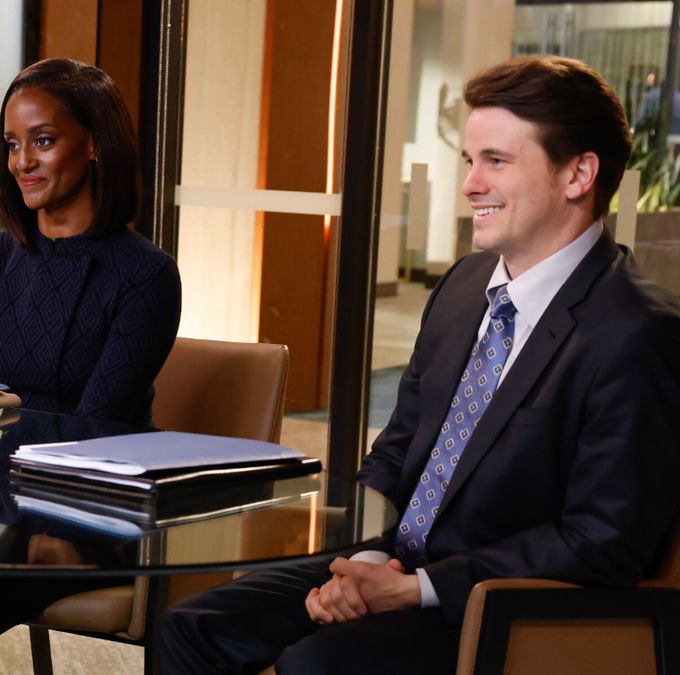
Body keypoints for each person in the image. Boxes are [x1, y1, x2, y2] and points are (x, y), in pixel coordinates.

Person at [157, 55, 680, 674]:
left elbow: (604, 541)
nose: (469, 185)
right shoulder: (464, 286)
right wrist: (361, 562)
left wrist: (415, 589)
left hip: (494, 602)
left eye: (497, 161)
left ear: (578, 175)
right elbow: (400, 448)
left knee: (314, 663)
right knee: (188, 629)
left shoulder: (637, 332)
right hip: (396, 559)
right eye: (470, 161)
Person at [0, 58, 181, 427]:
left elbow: (94, 427)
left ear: (94, 145)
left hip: (97, 475)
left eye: (43, 140)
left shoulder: (146, 274)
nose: (22, 162)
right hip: (3, 473)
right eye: (12, 145)